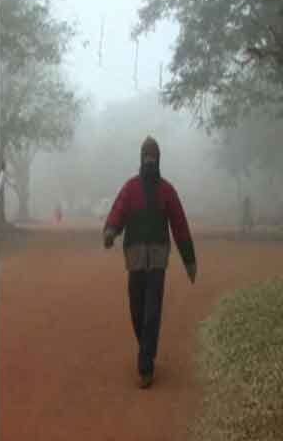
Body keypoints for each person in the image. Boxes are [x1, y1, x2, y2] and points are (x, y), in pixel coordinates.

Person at [103, 136, 197, 389]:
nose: (149, 161)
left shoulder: (167, 191)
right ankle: (146, 346)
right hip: (134, 259)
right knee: (137, 310)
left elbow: (180, 226)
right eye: (146, 157)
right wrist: (111, 231)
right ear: (141, 158)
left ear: (158, 160)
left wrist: (190, 260)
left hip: (157, 260)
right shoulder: (130, 188)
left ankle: (145, 365)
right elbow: (118, 211)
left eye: (153, 158)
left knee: (152, 311)